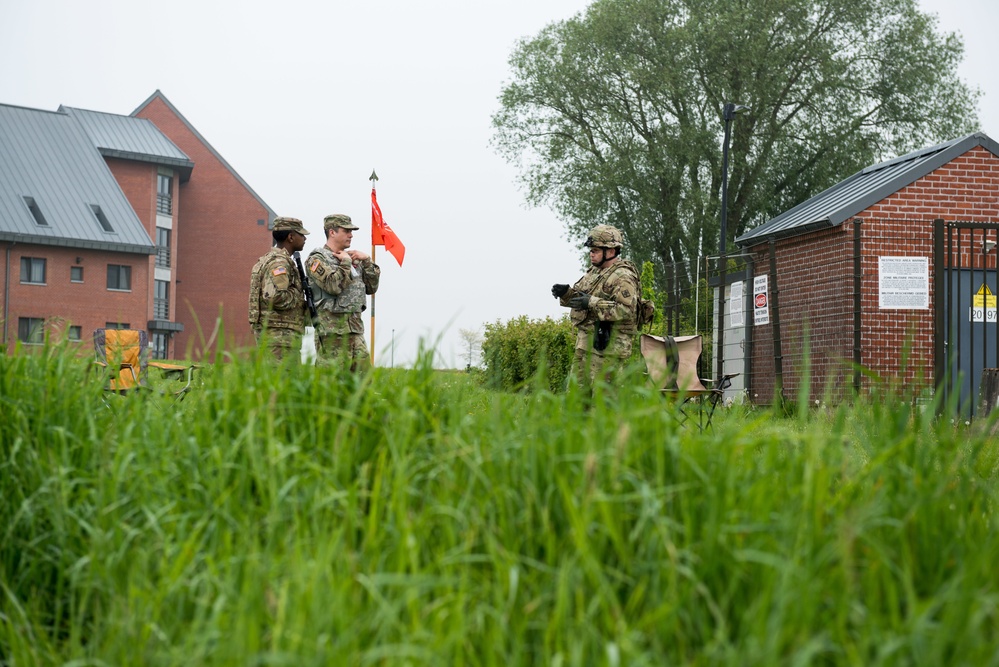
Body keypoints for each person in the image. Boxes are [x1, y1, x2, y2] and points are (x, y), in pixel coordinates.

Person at [553, 224, 641, 391]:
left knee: (603, 404)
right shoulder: (594, 273)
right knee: (576, 401)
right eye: (591, 250)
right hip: (585, 346)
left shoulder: (623, 276)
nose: (591, 253)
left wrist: (592, 302)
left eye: (596, 250)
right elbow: (582, 300)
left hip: (608, 350)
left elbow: (626, 310)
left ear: (611, 251)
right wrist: (566, 294)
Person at [306, 213, 380, 371]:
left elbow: (371, 288)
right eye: (346, 231)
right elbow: (333, 286)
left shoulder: (354, 259)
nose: (351, 235)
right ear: (332, 232)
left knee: (363, 383)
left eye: (351, 231)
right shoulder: (317, 259)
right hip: (332, 333)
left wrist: (367, 261)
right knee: (332, 384)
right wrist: (346, 262)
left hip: (355, 331)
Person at [248, 216, 310, 361]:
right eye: (301, 235)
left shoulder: (270, 259)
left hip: (278, 335)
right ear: (291, 237)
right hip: (279, 337)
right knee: (283, 379)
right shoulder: (279, 262)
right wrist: (298, 293)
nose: (304, 239)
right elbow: (276, 297)